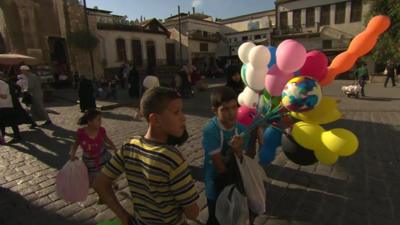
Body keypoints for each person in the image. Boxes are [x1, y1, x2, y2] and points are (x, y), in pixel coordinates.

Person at [93, 87, 200, 225]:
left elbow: (99, 184)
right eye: (176, 112)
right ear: (155, 119)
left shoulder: (129, 145)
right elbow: (192, 213)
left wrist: (123, 216)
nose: (183, 117)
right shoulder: (172, 159)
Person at [202, 86, 256, 225]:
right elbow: (219, 166)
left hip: (235, 176)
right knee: (216, 216)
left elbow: (243, 159)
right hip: (216, 179)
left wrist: (238, 151)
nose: (232, 113)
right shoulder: (210, 131)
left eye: (234, 107)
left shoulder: (242, 129)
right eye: (225, 109)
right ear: (215, 111)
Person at [69, 109, 118, 186]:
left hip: (103, 156)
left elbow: (107, 139)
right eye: (98, 120)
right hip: (90, 160)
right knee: (94, 177)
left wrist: (114, 148)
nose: (100, 122)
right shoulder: (82, 133)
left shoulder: (101, 130)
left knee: (106, 172)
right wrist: (72, 155)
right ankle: (100, 190)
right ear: (89, 121)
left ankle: (110, 182)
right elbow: (75, 144)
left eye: (101, 119)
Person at [0, 71, 36, 143]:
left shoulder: (5, 83)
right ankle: (4, 136)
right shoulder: (5, 82)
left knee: (14, 118)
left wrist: (16, 95)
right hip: (7, 104)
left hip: (10, 104)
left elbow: (5, 95)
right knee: (4, 121)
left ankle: (17, 135)